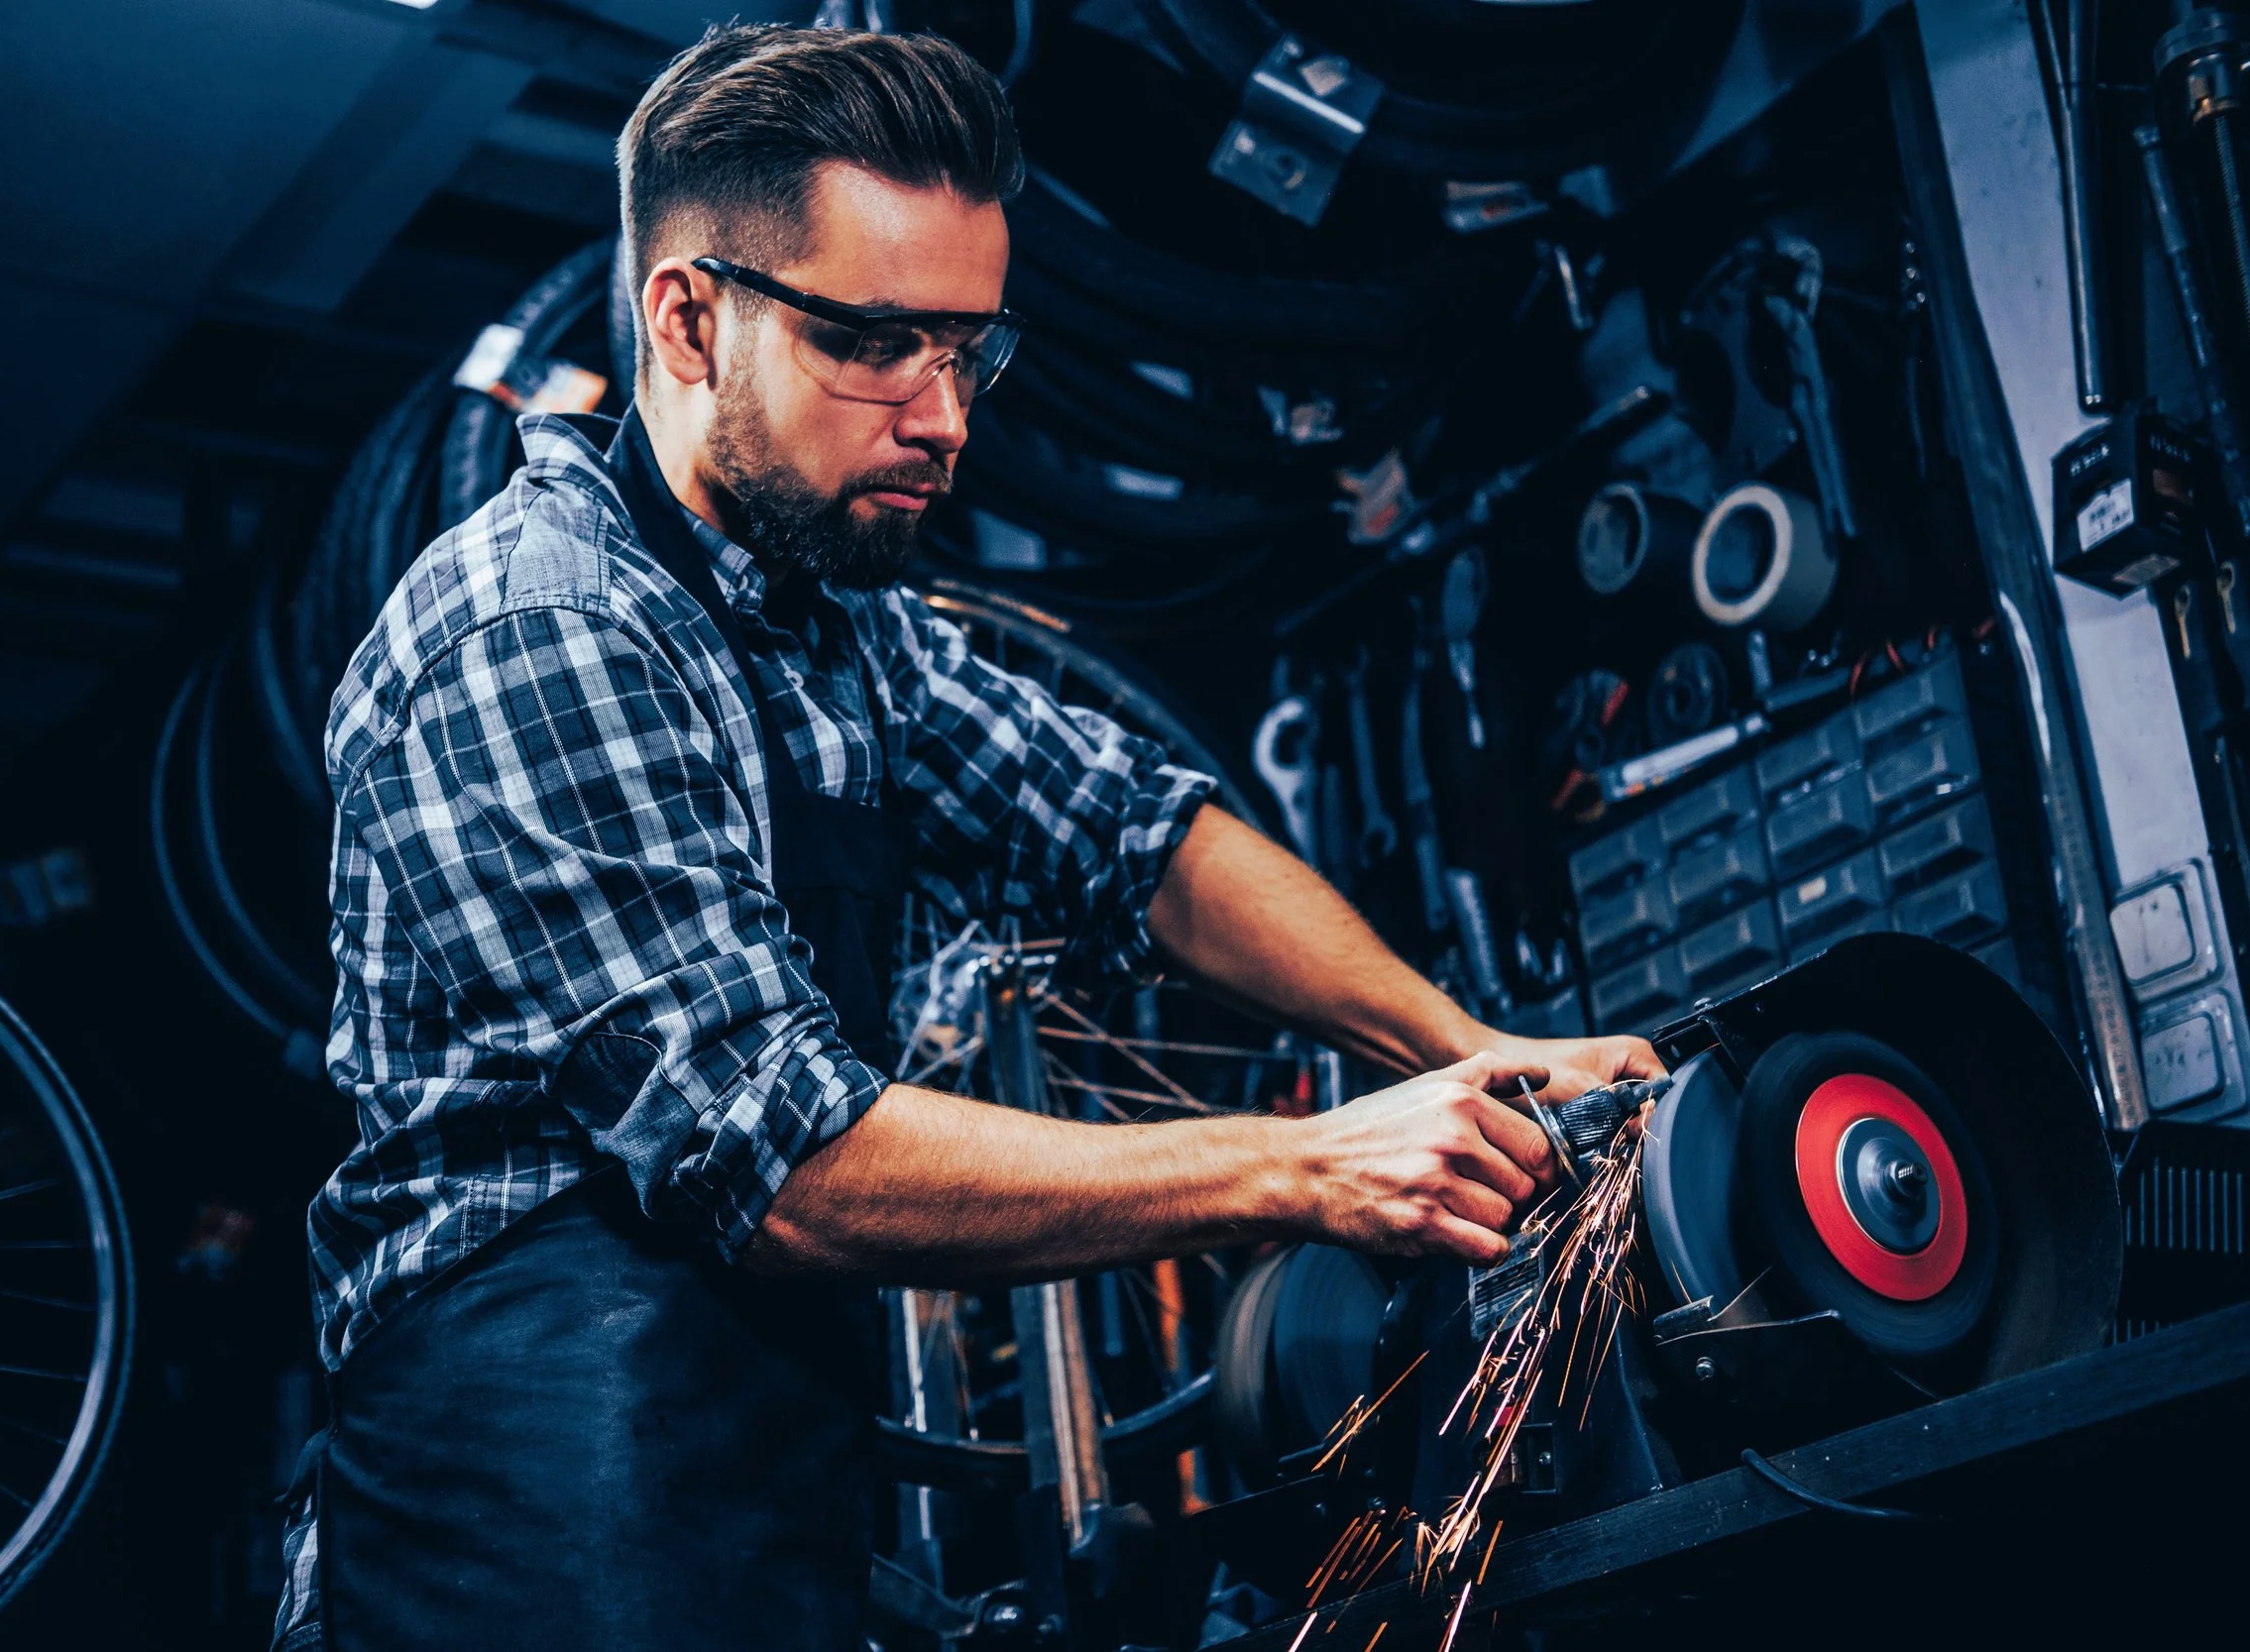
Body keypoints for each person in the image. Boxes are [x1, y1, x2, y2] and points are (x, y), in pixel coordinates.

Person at [272, 23, 1659, 1652]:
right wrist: (1311, 1160)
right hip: (519, 1514)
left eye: (971, 351)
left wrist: (1471, 1048)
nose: (945, 419)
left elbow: (1142, 836)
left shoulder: (842, 623)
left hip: (743, 1491)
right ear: (689, 317)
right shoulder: (538, 628)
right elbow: (780, 1162)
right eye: (880, 343)